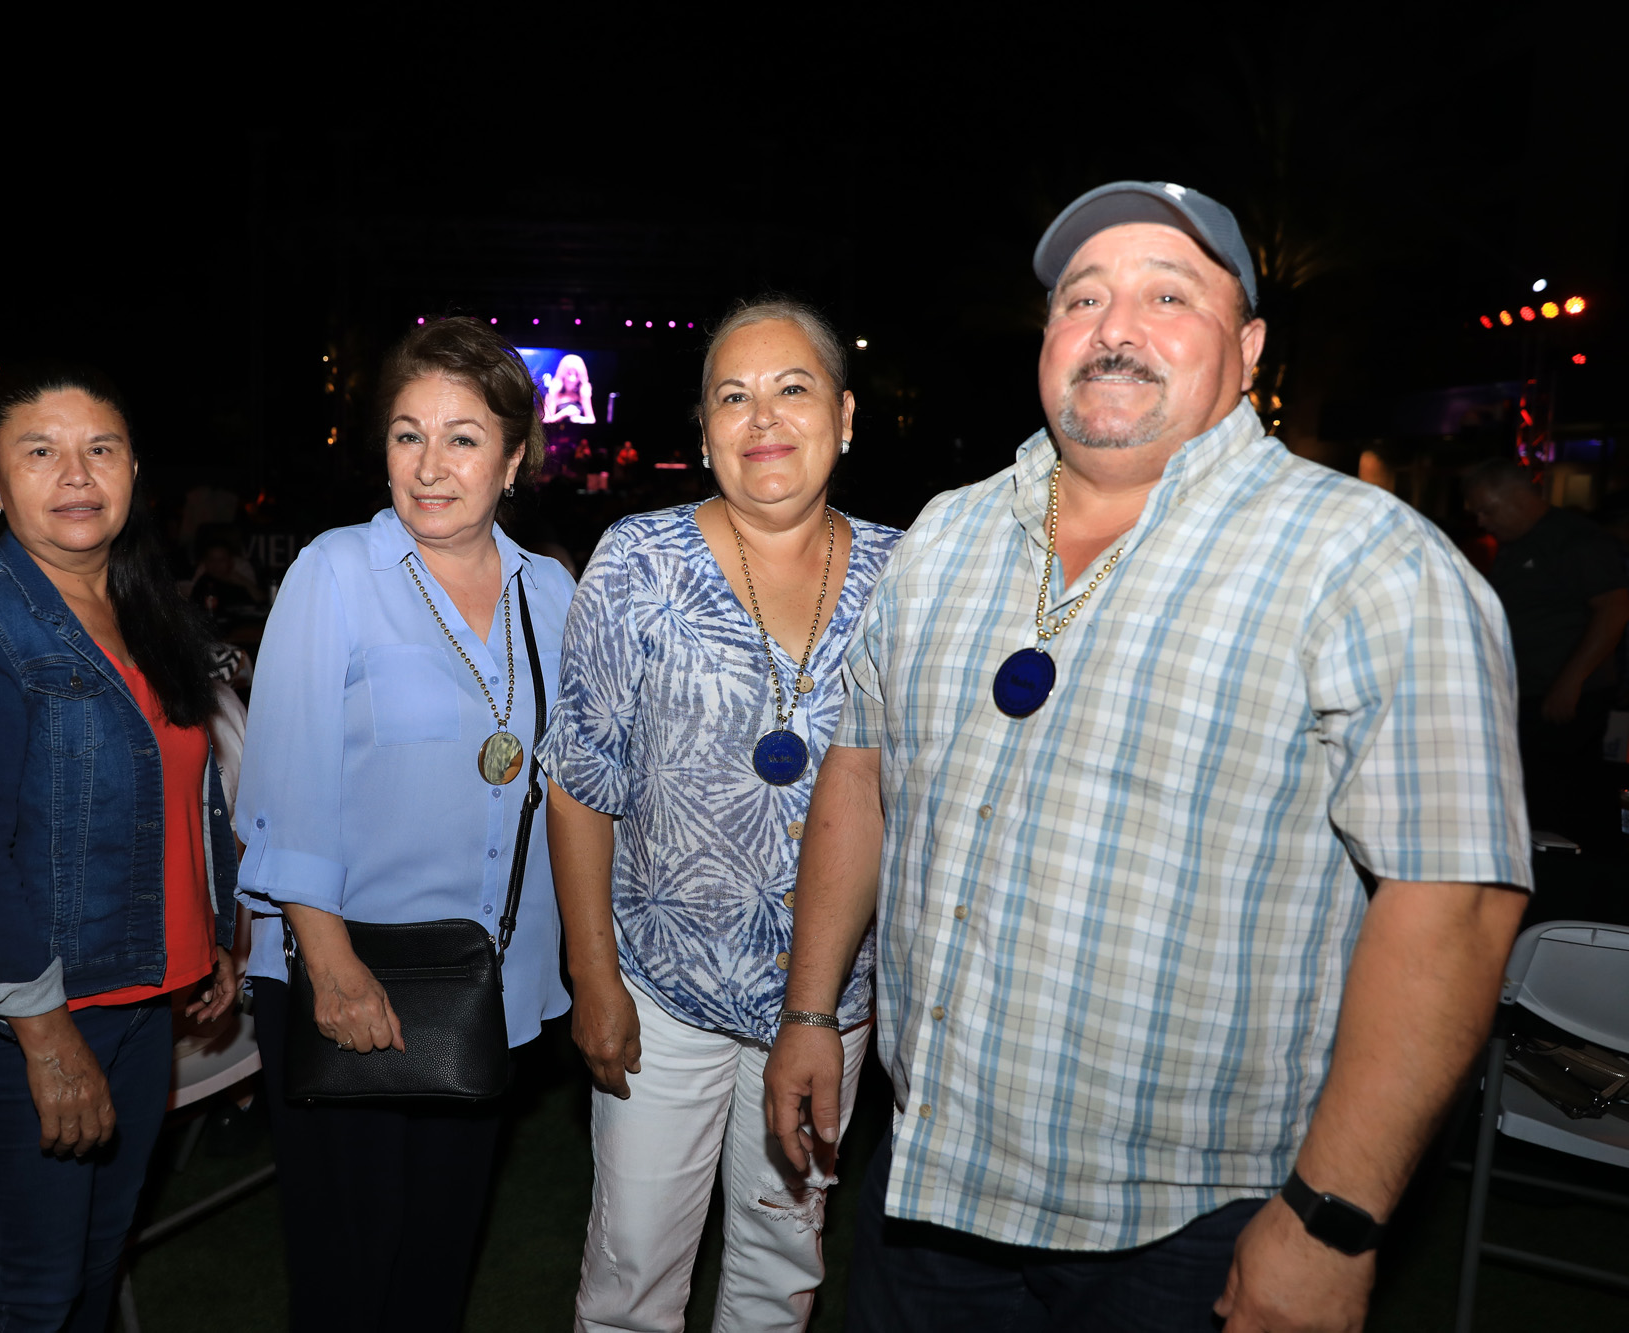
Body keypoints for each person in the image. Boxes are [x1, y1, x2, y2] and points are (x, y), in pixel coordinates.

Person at [763, 181, 1531, 1332]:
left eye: (1166, 296)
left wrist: (1328, 1217)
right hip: (926, 1183)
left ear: (1248, 347)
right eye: (1081, 299)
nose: (1113, 328)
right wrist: (810, 1010)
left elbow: (1454, 900)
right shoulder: (943, 538)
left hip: (1192, 1227)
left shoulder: (1369, 564)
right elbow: (860, 772)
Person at [541, 299, 901, 1332]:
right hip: (662, 991)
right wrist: (593, 977)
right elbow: (579, 781)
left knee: (782, 1265)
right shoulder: (636, 561)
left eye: (792, 388)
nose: (763, 417)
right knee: (633, 1272)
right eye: (733, 397)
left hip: (831, 998)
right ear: (703, 432)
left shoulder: (908, 573)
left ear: (843, 416)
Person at [0, 365, 239, 1333]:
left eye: (100, 449)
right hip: (29, 1015)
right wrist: (45, 1038)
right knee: (28, 1296)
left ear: (133, 472)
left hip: (137, 997)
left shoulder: (142, 607)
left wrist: (211, 933)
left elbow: (185, 790)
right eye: (40, 451)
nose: (76, 474)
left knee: (91, 1273)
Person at [235, 316, 575, 1332]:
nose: (430, 466)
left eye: (463, 438)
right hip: (351, 974)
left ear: (513, 458)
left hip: (486, 986)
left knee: (435, 1262)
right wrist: (331, 968)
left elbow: (573, 778)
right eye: (406, 434)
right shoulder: (336, 570)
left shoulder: (552, 591)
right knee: (348, 1273)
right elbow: (285, 781)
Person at [1463, 458, 1629, 852]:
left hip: (1564, 697)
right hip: (1528, 694)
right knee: (1532, 799)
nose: (1482, 521)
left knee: (1563, 803)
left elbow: (1614, 609)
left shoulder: (1575, 541)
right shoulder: (1515, 544)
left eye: (1487, 510)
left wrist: (1570, 682)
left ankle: (1579, 875)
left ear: (1517, 498)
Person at [544, 352, 598, 424]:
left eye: (576, 375)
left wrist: (579, 419)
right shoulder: (553, 393)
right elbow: (546, 421)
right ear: (563, 374)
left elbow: (591, 420)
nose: (572, 379)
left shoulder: (583, 394)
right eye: (569, 374)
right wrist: (563, 413)